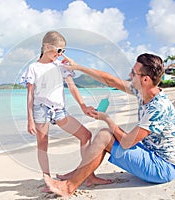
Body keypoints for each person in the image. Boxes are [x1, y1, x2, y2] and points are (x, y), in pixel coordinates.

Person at [44, 53, 175, 197]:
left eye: (133, 73)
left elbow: (127, 142)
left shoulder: (157, 107)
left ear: (145, 79)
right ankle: (85, 175)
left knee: (105, 135)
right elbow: (109, 80)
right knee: (107, 134)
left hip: (163, 168)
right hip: (152, 153)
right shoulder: (143, 91)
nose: (130, 75)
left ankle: (68, 187)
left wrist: (107, 119)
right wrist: (77, 67)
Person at [20, 31, 113, 192]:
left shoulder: (60, 66)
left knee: (85, 135)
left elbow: (71, 86)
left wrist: (83, 106)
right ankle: (47, 179)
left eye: (63, 51)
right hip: (40, 110)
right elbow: (30, 95)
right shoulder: (33, 68)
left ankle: (89, 176)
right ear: (47, 47)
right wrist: (29, 119)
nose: (61, 54)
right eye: (59, 50)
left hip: (59, 110)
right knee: (42, 145)